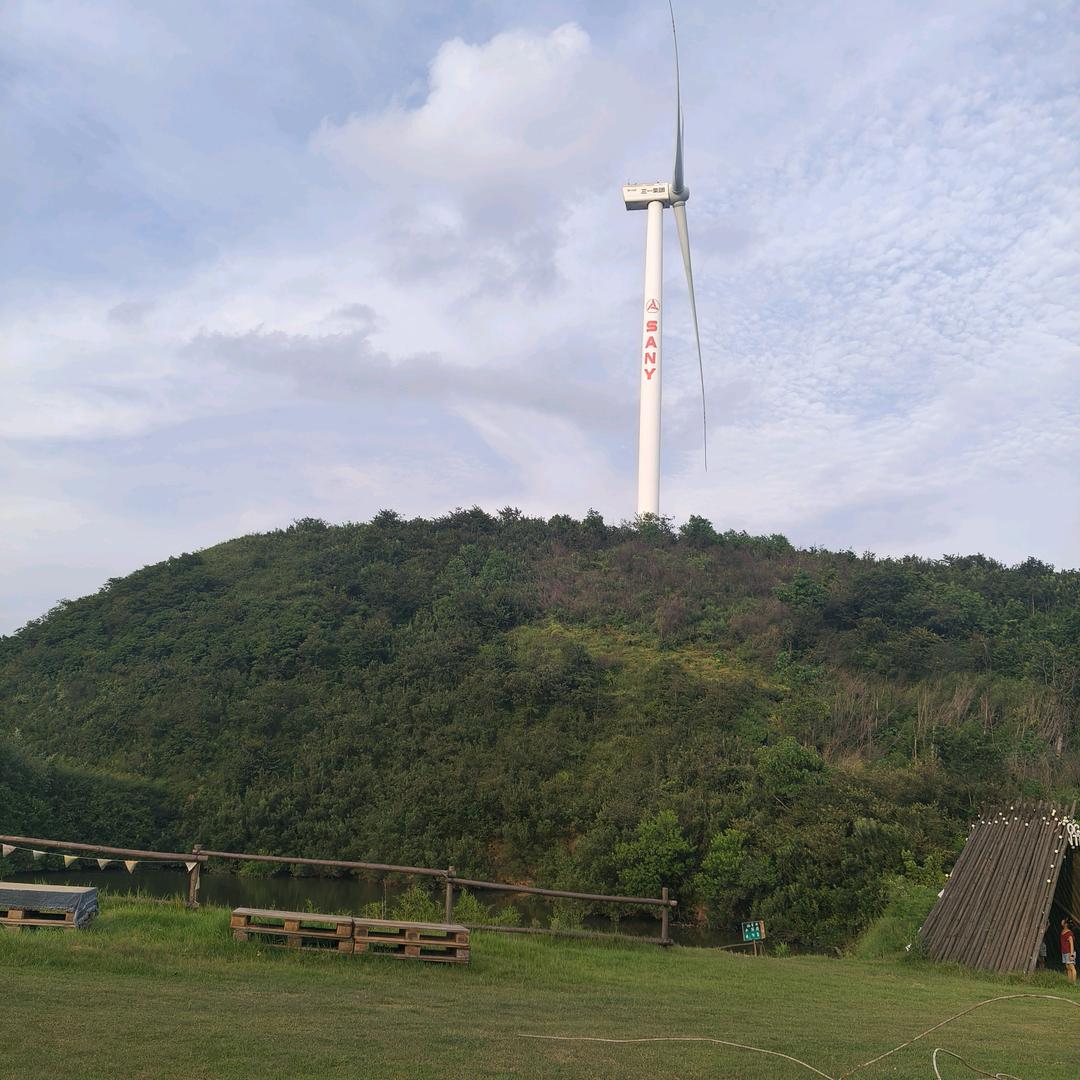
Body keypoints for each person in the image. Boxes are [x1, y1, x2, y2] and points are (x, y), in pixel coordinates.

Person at [1061, 918, 1076, 984]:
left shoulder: (1069, 933)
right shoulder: (1063, 931)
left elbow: (1071, 944)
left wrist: (1071, 955)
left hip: (1069, 952)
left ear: (1066, 924)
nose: (1062, 921)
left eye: (1063, 921)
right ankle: (1069, 982)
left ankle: (1074, 983)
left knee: (1072, 967)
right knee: (1068, 968)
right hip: (1064, 952)